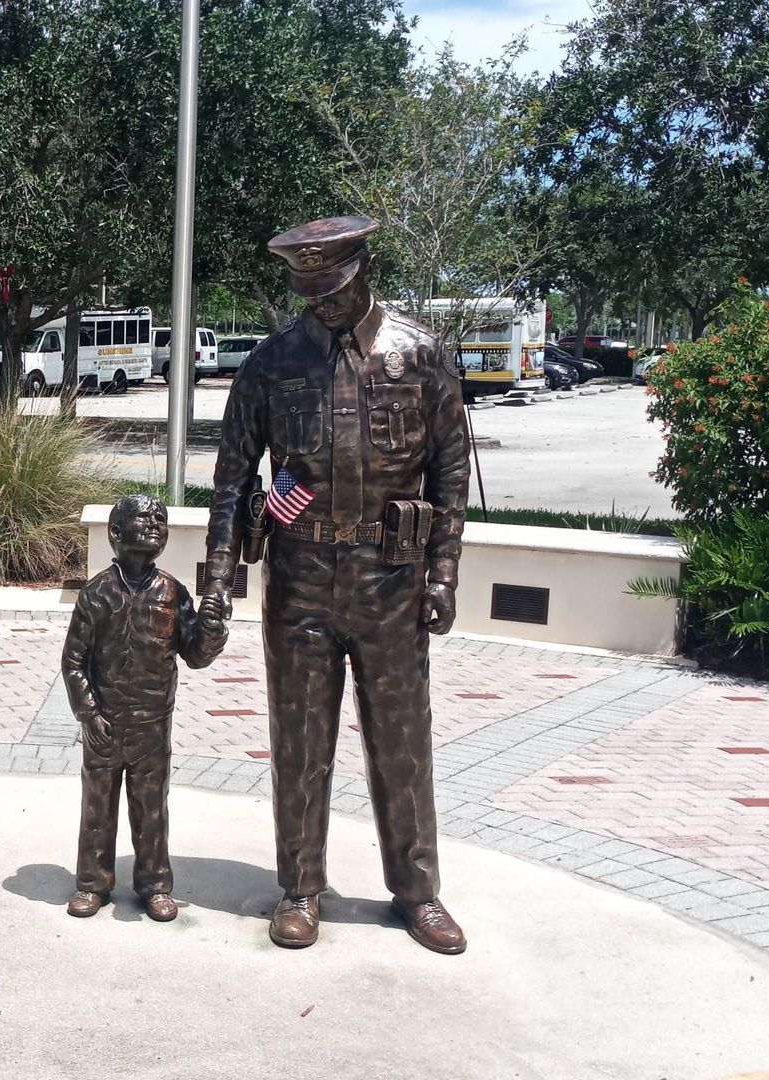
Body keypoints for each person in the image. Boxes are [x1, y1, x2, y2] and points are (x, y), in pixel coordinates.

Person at [203, 216, 472, 953]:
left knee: (401, 739)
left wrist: (443, 572)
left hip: (391, 578)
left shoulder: (422, 355)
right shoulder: (271, 363)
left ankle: (418, 892)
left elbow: (451, 472)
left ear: (364, 272)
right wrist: (219, 580)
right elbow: (231, 480)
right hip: (300, 579)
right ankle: (300, 887)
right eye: (309, 290)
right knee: (299, 738)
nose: (322, 301)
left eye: (334, 288)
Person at [60, 493, 228, 922]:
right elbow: (73, 661)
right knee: (97, 806)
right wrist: (88, 713)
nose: (156, 524)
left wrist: (211, 630)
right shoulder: (96, 593)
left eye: (161, 519)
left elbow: (195, 653)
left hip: (152, 723)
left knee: (151, 807)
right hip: (104, 722)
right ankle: (91, 882)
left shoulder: (172, 592)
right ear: (116, 533)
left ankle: (155, 884)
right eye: (145, 518)